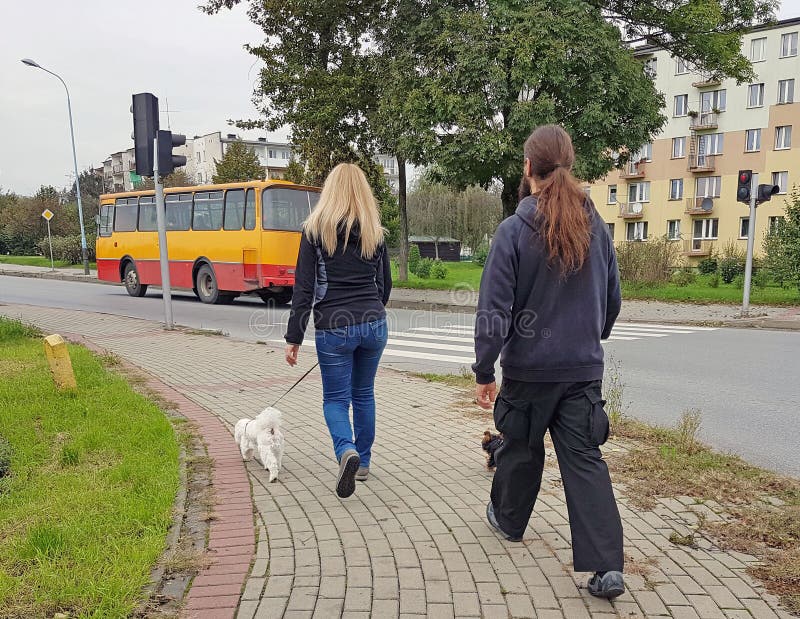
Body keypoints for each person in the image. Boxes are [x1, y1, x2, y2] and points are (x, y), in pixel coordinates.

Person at [473, 125, 625, 599]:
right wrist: (589, 334)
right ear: (569, 165)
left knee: (520, 446)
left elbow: (494, 309)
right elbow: (612, 299)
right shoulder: (596, 226)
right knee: (584, 460)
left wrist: (484, 369)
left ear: (528, 168)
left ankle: (509, 520)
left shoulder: (515, 231)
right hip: (581, 369)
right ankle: (605, 568)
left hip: (529, 370)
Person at [284, 163, 391, 499]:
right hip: (374, 324)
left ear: (329, 191)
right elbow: (384, 286)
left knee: (335, 399)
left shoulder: (315, 231)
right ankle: (363, 464)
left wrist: (294, 338)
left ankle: (346, 450)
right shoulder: (375, 230)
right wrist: (371, 312)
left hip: (334, 326)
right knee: (364, 395)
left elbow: (303, 289)